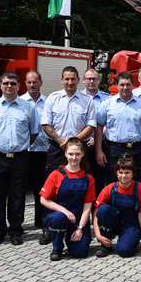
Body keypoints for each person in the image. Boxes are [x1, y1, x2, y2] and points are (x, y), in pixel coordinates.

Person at [40, 66, 96, 244]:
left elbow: (91, 125)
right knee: (51, 188)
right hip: (57, 148)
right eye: (67, 79)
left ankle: (80, 224)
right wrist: (60, 141)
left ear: (78, 80)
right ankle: (48, 229)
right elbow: (45, 124)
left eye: (73, 79)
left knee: (81, 185)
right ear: (62, 80)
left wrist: (73, 142)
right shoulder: (53, 98)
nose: (70, 82)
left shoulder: (86, 100)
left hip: (79, 149)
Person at [0, 71, 39, 246]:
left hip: (19, 158)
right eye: (6, 83)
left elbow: (34, 132)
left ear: (18, 86)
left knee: (17, 196)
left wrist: (20, 146)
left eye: (13, 83)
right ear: (0, 85)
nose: (9, 86)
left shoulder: (28, 107)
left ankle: (16, 231)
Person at [95, 71, 141, 193]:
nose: (125, 88)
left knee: (138, 183)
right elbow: (99, 127)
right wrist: (99, 150)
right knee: (113, 182)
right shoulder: (107, 103)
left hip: (138, 150)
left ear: (133, 85)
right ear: (117, 86)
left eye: (128, 84)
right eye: (122, 84)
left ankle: (137, 211)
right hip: (113, 150)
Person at [40, 138, 96, 261]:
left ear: (83, 154)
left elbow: (87, 206)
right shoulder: (56, 174)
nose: (74, 157)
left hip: (78, 220)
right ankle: (57, 247)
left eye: (77, 154)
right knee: (57, 218)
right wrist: (65, 211)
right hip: (60, 217)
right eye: (70, 154)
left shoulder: (88, 178)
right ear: (65, 154)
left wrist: (80, 228)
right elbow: (43, 200)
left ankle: (72, 239)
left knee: (80, 252)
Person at [92, 153, 141, 258]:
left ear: (133, 173)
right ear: (116, 173)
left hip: (131, 225)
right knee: (103, 209)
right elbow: (96, 214)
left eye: (127, 172)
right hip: (115, 222)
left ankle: (127, 239)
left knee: (124, 251)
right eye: (120, 172)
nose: (124, 176)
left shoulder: (140, 189)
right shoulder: (109, 189)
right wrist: (98, 236)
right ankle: (105, 243)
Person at [20, 70, 49, 233]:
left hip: (43, 151)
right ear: (25, 83)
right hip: (24, 151)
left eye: (35, 82)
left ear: (41, 83)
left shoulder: (48, 102)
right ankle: (19, 223)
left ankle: (41, 220)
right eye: (29, 82)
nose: (32, 85)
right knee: (20, 188)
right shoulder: (20, 102)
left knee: (41, 188)